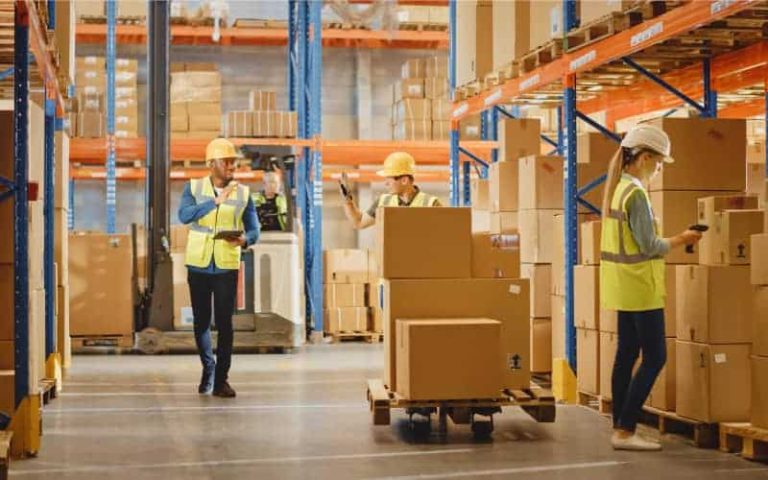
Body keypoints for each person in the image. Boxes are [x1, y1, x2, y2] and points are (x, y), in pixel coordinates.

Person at [600, 124, 703, 451]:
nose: (658, 171)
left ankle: (619, 426)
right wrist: (683, 239)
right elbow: (649, 244)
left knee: (627, 353)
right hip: (641, 287)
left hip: (623, 287)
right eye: (658, 164)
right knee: (655, 356)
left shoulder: (617, 189)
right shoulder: (636, 195)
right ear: (644, 158)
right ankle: (626, 430)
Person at [178, 138, 261, 398]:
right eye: (225, 161)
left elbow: (255, 228)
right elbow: (184, 216)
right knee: (201, 323)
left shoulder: (244, 194)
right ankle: (208, 369)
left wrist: (246, 239)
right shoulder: (193, 187)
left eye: (233, 162)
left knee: (225, 324)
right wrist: (214, 202)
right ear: (211, 163)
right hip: (199, 265)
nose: (230, 165)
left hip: (226, 265)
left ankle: (222, 380)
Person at [342, 151, 440, 229]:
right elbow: (359, 222)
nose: (386, 183)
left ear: (404, 180)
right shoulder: (383, 201)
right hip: (391, 254)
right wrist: (348, 200)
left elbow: (444, 234)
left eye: (389, 179)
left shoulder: (430, 203)